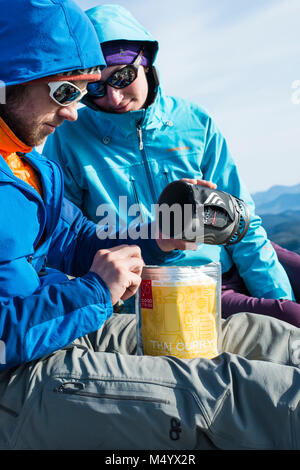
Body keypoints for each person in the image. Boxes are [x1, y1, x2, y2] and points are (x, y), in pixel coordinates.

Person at [1, 0, 300, 452]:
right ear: (8, 81)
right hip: (19, 369)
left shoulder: (32, 168)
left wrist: (161, 237)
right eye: (67, 92)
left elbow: (77, 239)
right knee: (242, 396)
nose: (75, 113)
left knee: (274, 340)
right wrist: (96, 292)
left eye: (82, 93)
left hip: (62, 324)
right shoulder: (48, 155)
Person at [44, 3, 300, 327]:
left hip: (215, 267)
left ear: (147, 62)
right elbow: (64, 238)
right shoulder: (69, 138)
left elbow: (242, 221)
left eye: (123, 77)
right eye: (95, 87)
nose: (113, 98)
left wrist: (277, 297)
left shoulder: (194, 121)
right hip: (155, 294)